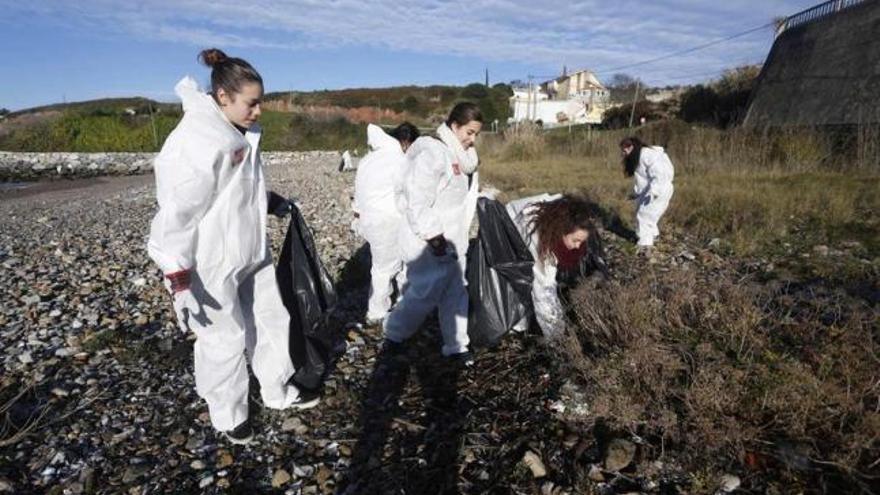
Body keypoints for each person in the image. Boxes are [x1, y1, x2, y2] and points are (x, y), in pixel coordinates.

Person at [147, 48, 317, 446]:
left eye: (261, 102)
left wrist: (269, 200)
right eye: (251, 103)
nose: (258, 111)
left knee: (270, 320)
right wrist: (177, 274)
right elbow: (178, 210)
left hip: (251, 249)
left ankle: (276, 390)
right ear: (223, 96)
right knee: (223, 339)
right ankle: (228, 415)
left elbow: (236, 188)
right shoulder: (197, 139)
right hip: (212, 260)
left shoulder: (240, 130)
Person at [383, 102, 483, 364]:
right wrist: (434, 238)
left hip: (453, 238)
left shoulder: (463, 158)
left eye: (476, 135)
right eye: (469, 132)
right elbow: (417, 201)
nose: (472, 140)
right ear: (454, 126)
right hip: (427, 240)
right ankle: (394, 333)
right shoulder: (433, 154)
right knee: (424, 293)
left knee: (456, 290)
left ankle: (456, 346)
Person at [351, 122, 420, 324]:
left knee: (382, 266)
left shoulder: (368, 159)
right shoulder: (401, 160)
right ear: (406, 143)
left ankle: (382, 308)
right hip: (392, 219)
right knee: (398, 266)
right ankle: (384, 309)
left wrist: (358, 215)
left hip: (369, 220)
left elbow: (359, 191)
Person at [506, 194, 601, 338]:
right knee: (533, 282)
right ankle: (517, 327)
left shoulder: (565, 216)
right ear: (562, 231)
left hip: (525, 220)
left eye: (581, 241)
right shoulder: (537, 237)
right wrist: (557, 335)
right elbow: (544, 289)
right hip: (508, 233)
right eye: (576, 240)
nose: (578, 246)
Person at [620, 136, 675, 253]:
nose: (623, 154)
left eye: (625, 151)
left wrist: (655, 191)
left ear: (631, 147)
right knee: (649, 214)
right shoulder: (639, 156)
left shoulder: (648, 155)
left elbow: (660, 173)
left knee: (644, 215)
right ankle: (654, 235)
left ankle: (645, 244)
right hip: (652, 189)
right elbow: (642, 180)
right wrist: (636, 194)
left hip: (659, 189)